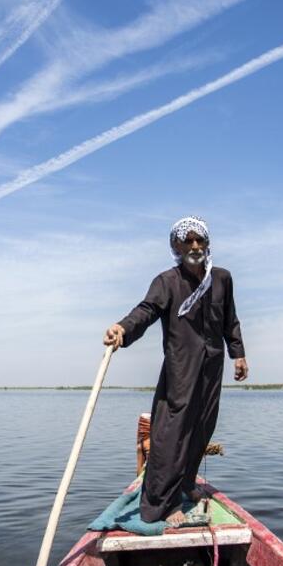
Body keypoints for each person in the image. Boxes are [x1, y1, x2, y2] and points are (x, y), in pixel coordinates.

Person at [103, 216, 247, 525]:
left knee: (202, 426)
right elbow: (147, 310)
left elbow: (230, 319)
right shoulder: (167, 281)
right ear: (176, 246)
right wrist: (122, 329)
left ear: (207, 244)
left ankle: (185, 483)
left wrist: (238, 353)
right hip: (181, 366)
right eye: (188, 240)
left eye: (200, 240)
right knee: (171, 433)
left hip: (212, 364)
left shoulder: (221, 278)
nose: (195, 245)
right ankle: (160, 505)